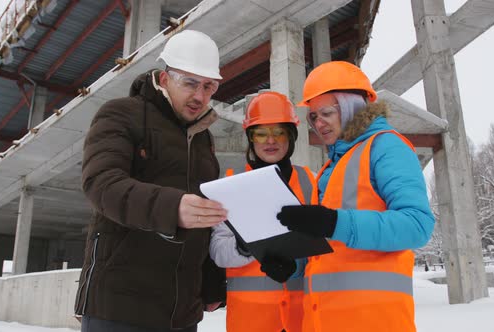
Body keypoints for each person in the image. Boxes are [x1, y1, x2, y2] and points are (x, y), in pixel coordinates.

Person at [74, 30, 229, 332]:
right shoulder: (121, 114)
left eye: (209, 86)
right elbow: (102, 183)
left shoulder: (202, 139)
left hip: (181, 312)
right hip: (120, 305)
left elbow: (204, 219)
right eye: (190, 83)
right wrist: (172, 209)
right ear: (164, 77)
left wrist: (210, 280)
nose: (200, 96)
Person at [275, 61, 435, 332]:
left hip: (374, 321)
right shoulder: (330, 168)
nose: (318, 123)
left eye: (325, 112)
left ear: (352, 106)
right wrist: (292, 267)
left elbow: (417, 225)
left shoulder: (387, 146)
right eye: (313, 117)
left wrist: (333, 222)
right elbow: (330, 250)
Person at [209, 91, 318, 332]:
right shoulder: (231, 187)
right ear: (251, 138)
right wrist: (245, 246)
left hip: (303, 319)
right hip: (251, 320)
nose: (270, 140)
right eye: (261, 133)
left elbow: (327, 247)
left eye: (279, 132)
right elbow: (218, 252)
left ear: (290, 136)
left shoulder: (312, 182)